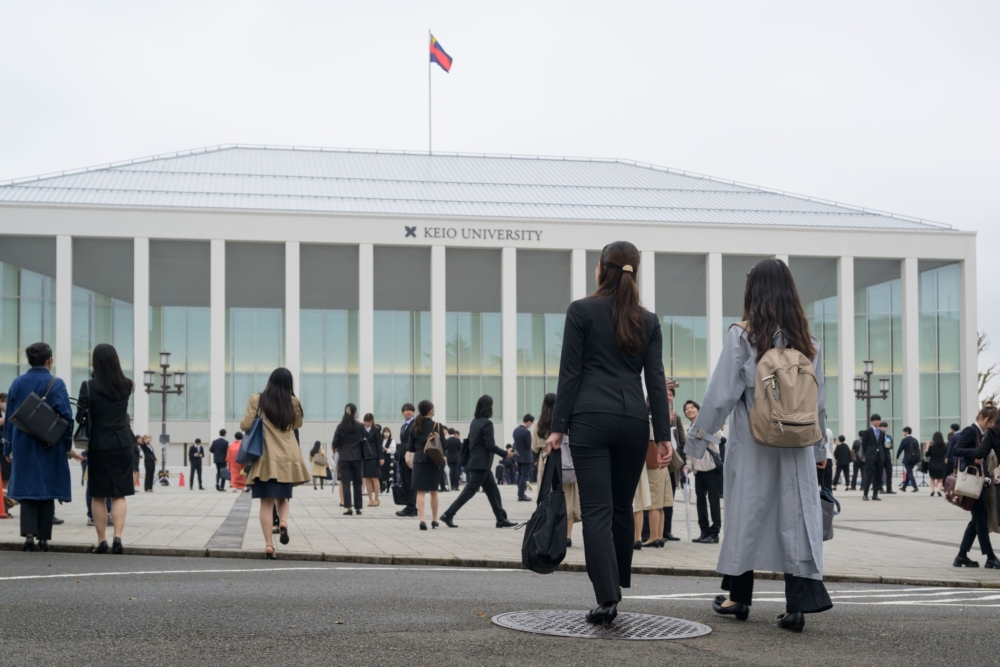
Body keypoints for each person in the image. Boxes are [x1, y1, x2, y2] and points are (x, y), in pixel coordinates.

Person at [688, 258, 832, 634]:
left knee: (746, 515)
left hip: (753, 441)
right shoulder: (810, 343)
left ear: (754, 292)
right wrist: (819, 452)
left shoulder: (743, 336)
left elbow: (720, 395)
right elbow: (818, 406)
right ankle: (797, 605)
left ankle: (739, 597)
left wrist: (697, 442)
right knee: (795, 517)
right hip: (797, 444)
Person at [545, 241, 673, 627]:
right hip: (634, 420)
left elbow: (570, 374)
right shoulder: (647, 320)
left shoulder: (581, 310)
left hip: (590, 419)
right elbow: (655, 380)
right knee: (621, 508)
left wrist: (557, 428)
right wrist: (663, 433)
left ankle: (607, 598)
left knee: (597, 510)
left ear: (601, 269)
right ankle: (617, 582)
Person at [2, 342, 83, 551]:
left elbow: (11, 418)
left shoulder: (17, 383)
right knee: (47, 489)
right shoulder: (56, 383)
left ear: (29, 360)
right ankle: (44, 538)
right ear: (50, 360)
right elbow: (67, 417)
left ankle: (29, 535)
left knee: (28, 489)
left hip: (23, 445)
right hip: (50, 445)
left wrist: (7, 449)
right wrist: (66, 445)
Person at [240, 368, 309, 559]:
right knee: (283, 497)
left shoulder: (257, 399)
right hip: (286, 458)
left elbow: (245, 425)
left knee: (266, 503)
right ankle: (284, 522)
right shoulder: (292, 401)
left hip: (265, 459)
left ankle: (269, 544)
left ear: (270, 380)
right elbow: (297, 425)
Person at [76, 343, 136, 555]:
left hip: (99, 444)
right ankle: (118, 536)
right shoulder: (127, 384)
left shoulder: (88, 386)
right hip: (122, 442)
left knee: (98, 494)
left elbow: (80, 416)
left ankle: (102, 540)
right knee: (119, 493)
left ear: (95, 362)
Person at [440, 394, 516, 529]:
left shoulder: (475, 422)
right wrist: (506, 453)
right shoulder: (487, 423)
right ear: (488, 406)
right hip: (481, 464)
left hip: (479, 463)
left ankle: (500, 518)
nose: (494, 406)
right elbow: (490, 445)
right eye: (492, 404)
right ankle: (448, 514)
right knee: (469, 491)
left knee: (493, 491)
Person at [951, 407, 1000, 568]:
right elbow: (956, 450)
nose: (992, 425)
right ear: (981, 417)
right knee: (982, 519)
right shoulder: (971, 431)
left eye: (994, 422)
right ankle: (990, 557)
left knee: (976, 520)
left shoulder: (981, 433)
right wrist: (976, 453)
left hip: (978, 481)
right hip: (971, 481)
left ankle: (961, 555)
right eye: (990, 421)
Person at [683, 399, 723, 543]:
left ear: (698, 410)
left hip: (711, 469)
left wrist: (699, 433)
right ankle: (704, 532)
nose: (689, 410)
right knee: (700, 503)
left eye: (692, 407)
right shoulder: (689, 431)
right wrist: (687, 466)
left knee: (714, 502)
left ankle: (715, 533)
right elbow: (689, 453)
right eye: (687, 409)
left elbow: (718, 439)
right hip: (698, 471)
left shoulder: (708, 424)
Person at [332, 404, 365, 515]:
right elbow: (365, 439)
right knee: (357, 482)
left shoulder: (340, 426)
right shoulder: (360, 426)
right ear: (355, 413)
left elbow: (335, 443)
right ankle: (358, 507)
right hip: (357, 457)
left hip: (344, 457)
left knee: (345, 483)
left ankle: (348, 507)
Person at [395, 403, 418, 518]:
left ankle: (410, 507)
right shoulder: (403, 425)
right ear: (402, 412)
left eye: (410, 410)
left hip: (410, 457)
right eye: (406, 410)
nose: (408, 412)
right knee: (405, 483)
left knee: (410, 483)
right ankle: (412, 507)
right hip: (402, 457)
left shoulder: (415, 424)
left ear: (413, 412)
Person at [861, 415, 886, 501]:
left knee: (878, 475)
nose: (877, 422)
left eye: (878, 420)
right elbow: (864, 444)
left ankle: (875, 494)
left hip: (880, 456)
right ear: (872, 421)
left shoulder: (882, 433)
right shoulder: (868, 432)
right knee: (869, 475)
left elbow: (883, 444)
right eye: (875, 420)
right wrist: (867, 454)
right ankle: (865, 494)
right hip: (870, 456)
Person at [361, 413, 383, 507]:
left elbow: (379, 444)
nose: (367, 423)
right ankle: (370, 499)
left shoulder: (376, 430)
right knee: (367, 478)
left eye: (369, 421)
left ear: (372, 421)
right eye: (366, 421)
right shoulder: (361, 429)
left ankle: (376, 499)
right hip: (365, 456)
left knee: (375, 477)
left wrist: (381, 457)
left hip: (374, 456)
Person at [513, 415, 535, 502]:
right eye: (531, 423)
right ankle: (521, 495)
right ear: (529, 421)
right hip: (526, 457)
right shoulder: (526, 432)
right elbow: (528, 445)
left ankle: (520, 492)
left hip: (518, 456)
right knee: (525, 476)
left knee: (520, 476)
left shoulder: (516, 430)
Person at [897, 426, 920, 493]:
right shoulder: (915, 440)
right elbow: (918, 450)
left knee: (910, 473)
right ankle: (904, 487)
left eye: (904, 432)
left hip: (907, 459)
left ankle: (915, 487)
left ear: (906, 432)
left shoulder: (904, 440)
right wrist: (918, 460)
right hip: (914, 459)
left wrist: (897, 457)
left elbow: (900, 449)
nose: (903, 433)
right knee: (908, 473)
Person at [925, 432, 947, 496]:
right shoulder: (944, 447)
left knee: (932, 478)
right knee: (940, 479)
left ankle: (932, 490)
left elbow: (927, 455)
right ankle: (938, 490)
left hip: (932, 465)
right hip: (941, 464)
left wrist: (927, 447)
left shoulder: (932, 447)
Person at [880, 423, 896, 494]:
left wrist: (888, 445)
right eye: (883, 427)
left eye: (886, 427)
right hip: (880, 456)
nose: (884, 428)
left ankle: (889, 488)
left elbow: (889, 446)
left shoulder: (888, 436)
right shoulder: (878, 436)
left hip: (887, 456)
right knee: (879, 473)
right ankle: (880, 488)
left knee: (889, 472)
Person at [380, 427, 395, 494]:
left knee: (389, 474)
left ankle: (388, 489)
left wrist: (386, 449)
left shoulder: (392, 441)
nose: (386, 433)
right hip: (381, 458)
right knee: (380, 474)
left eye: (387, 431)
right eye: (385, 431)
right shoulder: (381, 440)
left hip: (388, 458)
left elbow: (393, 450)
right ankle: (381, 489)